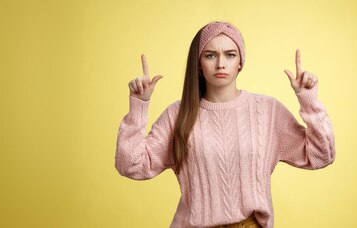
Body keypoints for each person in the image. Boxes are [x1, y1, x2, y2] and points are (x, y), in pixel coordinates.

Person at [115, 21, 335, 228]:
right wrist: (139, 105)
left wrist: (309, 100)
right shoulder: (178, 114)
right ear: (199, 64)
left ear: (240, 62)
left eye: (230, 55)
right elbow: (130, 165)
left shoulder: (267, 111)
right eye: (210, 55)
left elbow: (320, 155)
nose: (221, 63)